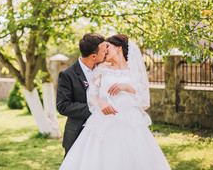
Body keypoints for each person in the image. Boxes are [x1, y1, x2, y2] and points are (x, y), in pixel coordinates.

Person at [59, 34, 170, 170]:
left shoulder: (136, 71)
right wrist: (101, 103)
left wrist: (127, 87)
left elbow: (144, 101)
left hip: (130, 122)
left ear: (118, 48)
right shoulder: (102, 69)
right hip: (104, 121)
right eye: (104, 47)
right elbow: (92, 94)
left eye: (107, 46)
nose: (105, 50)